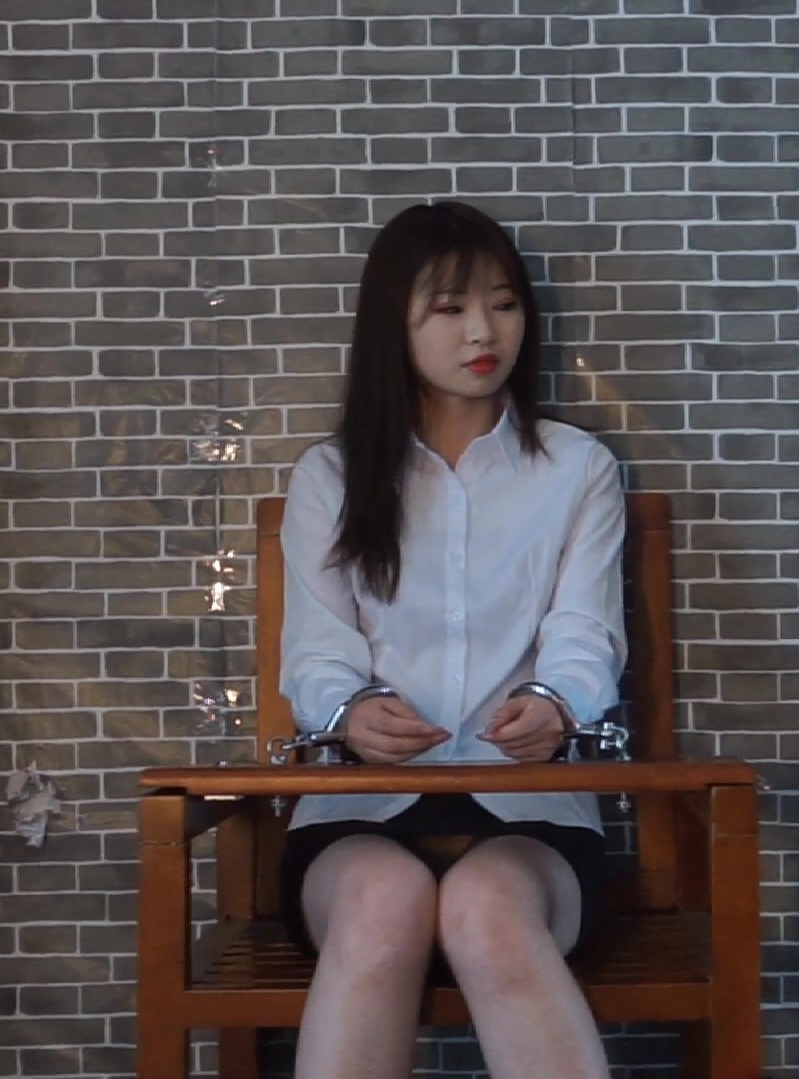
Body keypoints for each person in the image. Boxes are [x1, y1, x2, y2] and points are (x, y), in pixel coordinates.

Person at [277, 200, 625, 1079]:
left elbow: (585, 636)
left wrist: (555, 703)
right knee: (382, 902)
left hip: (532, 812)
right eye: (449, 308)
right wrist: (350, 712)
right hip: (360, 813)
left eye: (504, 305)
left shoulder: (577, 468)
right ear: (391, 323)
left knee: (488, 907)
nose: (483, 332)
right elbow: (317, 650)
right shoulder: (329, 476)